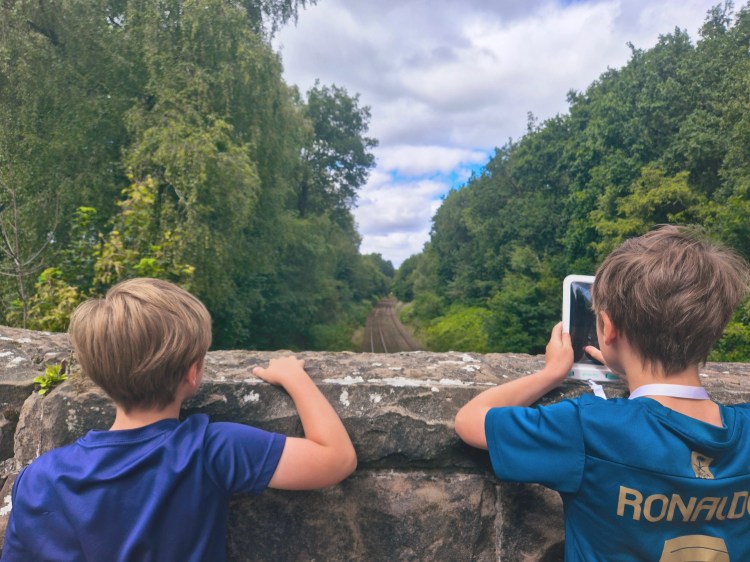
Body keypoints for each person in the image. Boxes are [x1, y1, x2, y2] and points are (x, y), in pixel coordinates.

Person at [1, 278, 356, 561]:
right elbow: (336, 459)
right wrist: (295, 377)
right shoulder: (211, 449)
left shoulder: (41, 479)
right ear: (192, 374)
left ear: (97, 376)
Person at [455, 226, 750, 561]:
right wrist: (633, 372)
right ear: (714, 330)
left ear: (608, 329)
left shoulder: (589, 428)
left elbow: (469, 421)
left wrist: (552, 373)